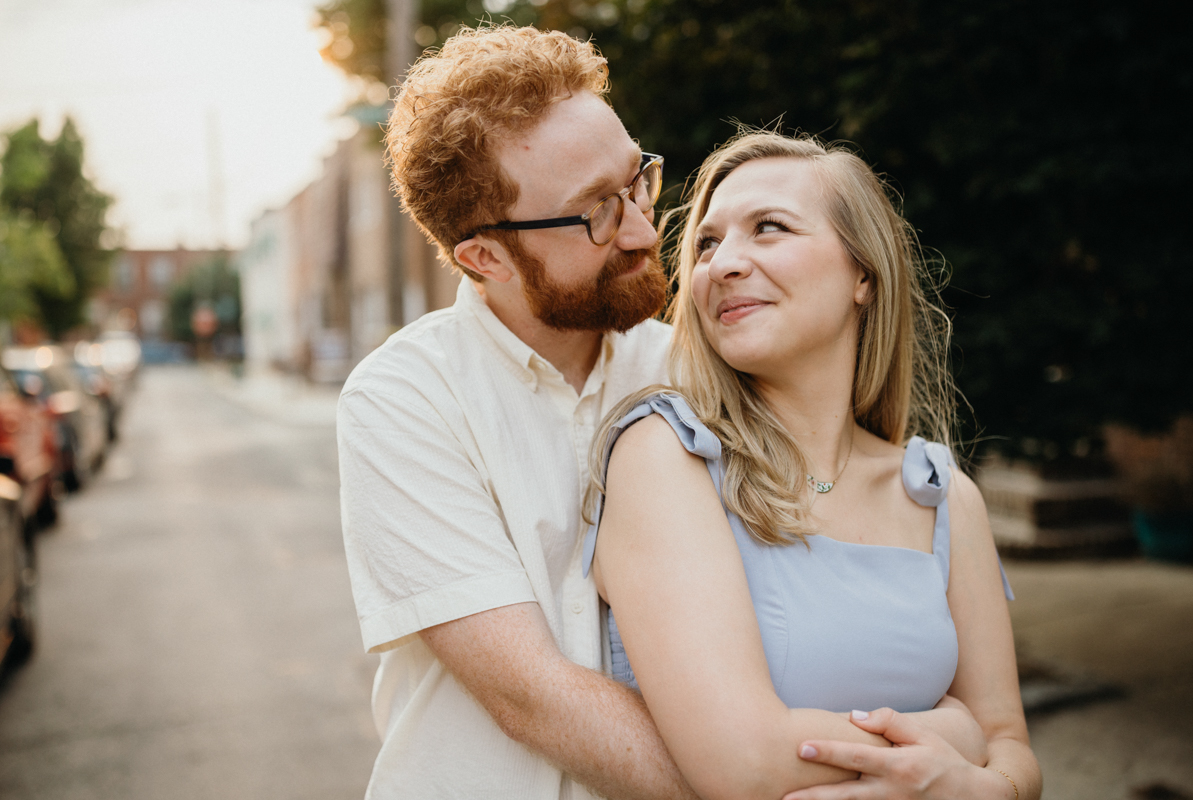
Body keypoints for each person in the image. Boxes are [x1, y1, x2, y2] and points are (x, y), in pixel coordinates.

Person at [585, 130, 1042, 800]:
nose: (723, 264)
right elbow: (743, 764)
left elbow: (1011, 747)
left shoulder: (941, 496)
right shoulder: (668, 456)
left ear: (863, 273)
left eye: (768, 228)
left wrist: (984, 785)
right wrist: (953, 740)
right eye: (707, 244)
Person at [338, 25, 703, 799]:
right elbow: (531, 697)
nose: (642, 229)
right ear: (485, 258)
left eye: (639, 181)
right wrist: (768, 783)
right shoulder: (403, 401)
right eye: (595, 213)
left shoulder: (696, 372)